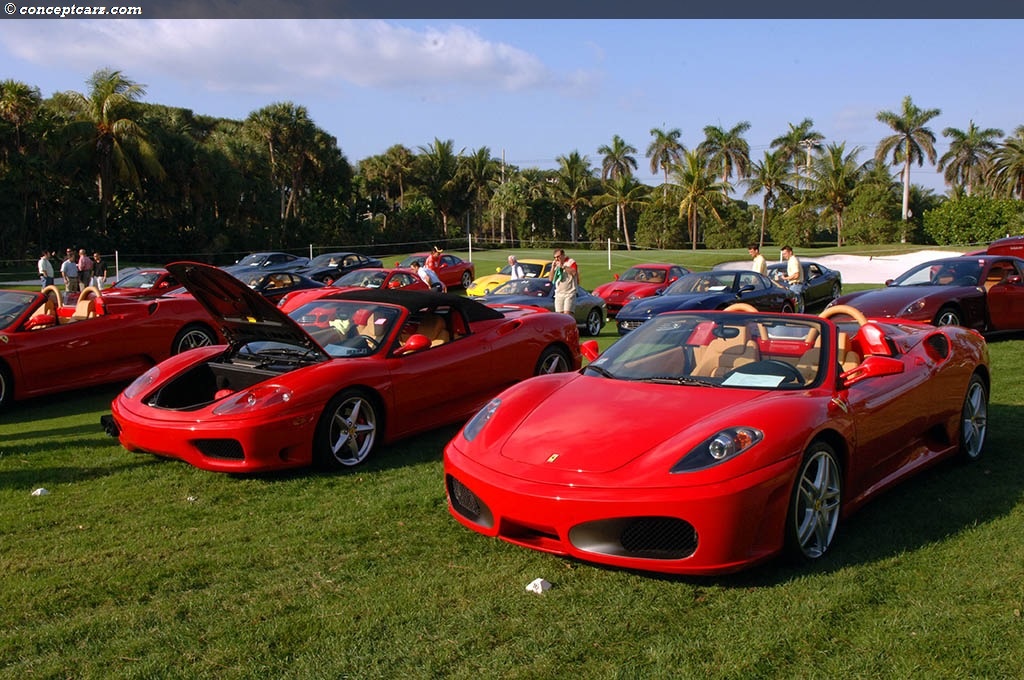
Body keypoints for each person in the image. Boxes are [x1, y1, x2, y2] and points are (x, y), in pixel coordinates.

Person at [549, 248, 579, 315]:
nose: (557, 259)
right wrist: (552, 268)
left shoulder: (571, 262)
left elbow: (574, 272)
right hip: (559, 293)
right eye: (555, 257)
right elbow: (551, 279)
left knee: (567, 315)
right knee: (559, 316)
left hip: (569, 293)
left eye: (558, 257)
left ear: (563, 255)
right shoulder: (556, 264)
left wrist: (563, 266)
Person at [780, 245, 805, 312]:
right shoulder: (792, 260)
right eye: (783, 254)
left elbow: (796, 275)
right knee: (796, 305)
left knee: (796, 306)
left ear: (790, 252)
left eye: (785, 254)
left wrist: (786, 278)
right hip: (794, 285)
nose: (784, 256)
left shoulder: (793, 261)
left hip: (795, 285)